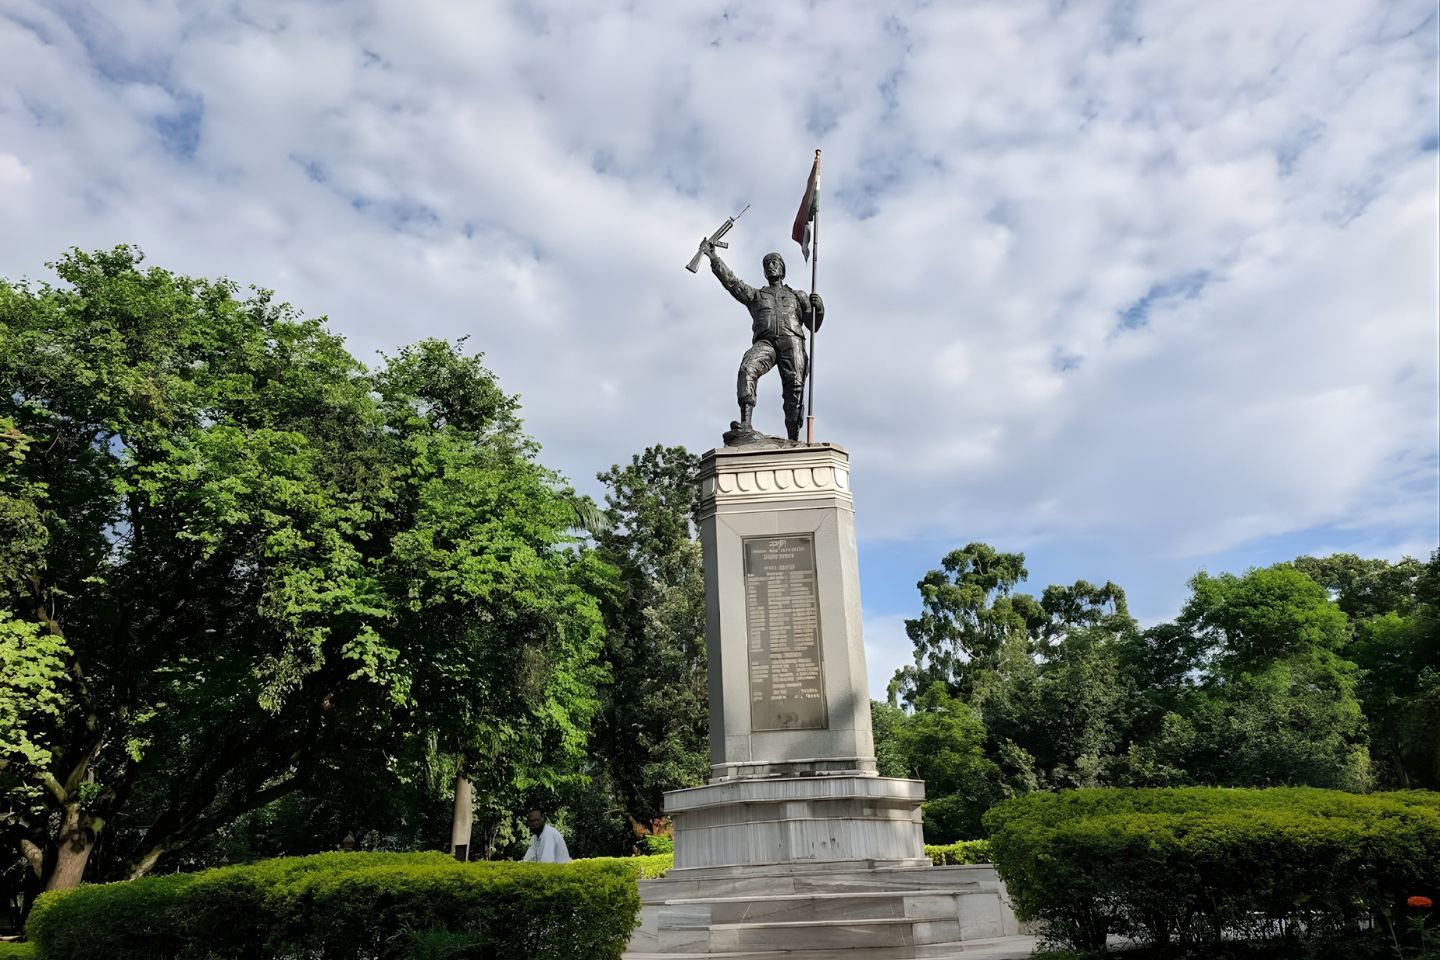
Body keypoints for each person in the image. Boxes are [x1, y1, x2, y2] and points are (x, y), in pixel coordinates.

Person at [703, 245, 824, 442]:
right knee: (746, 369)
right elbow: (732, 283)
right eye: (767, 264)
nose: (770, 267)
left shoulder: (797, 295)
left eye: (774, 263)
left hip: (792, 341)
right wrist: (714, 259)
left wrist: (819, 308)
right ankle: (745, 424)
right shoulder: (756, 295)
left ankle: (793, 438)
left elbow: (814, 325)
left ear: (782, 269)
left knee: (794, 389)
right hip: (766, 342)